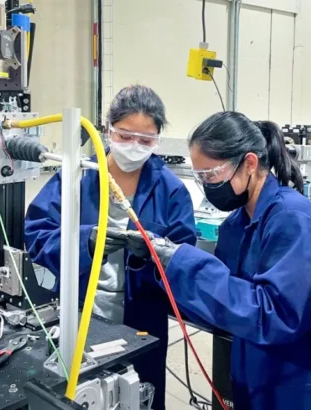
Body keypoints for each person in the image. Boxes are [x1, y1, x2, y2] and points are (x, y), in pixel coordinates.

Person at [112, 112, 311, 409]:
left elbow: (274, 315)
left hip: (310, 379)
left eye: (211, 175)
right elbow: (228, 307)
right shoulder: (235, 225)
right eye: (199, 176)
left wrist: (183, 261)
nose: (206, 185)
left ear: (250, 164)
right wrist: (161, 265)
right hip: (261, 377)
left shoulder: (292, 220)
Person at [24, 85, 197, 410]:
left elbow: (184, 258)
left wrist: (156, 254)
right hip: (78, 318)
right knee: (75, 396)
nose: (135, 147)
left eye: (146, 141)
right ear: (107, 131)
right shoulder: (77, 176)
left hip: (141, 324)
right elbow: (36, 232)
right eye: (126, 136)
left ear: (157, 140)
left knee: (139, 398)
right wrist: (85, 240)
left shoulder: (170, 191)